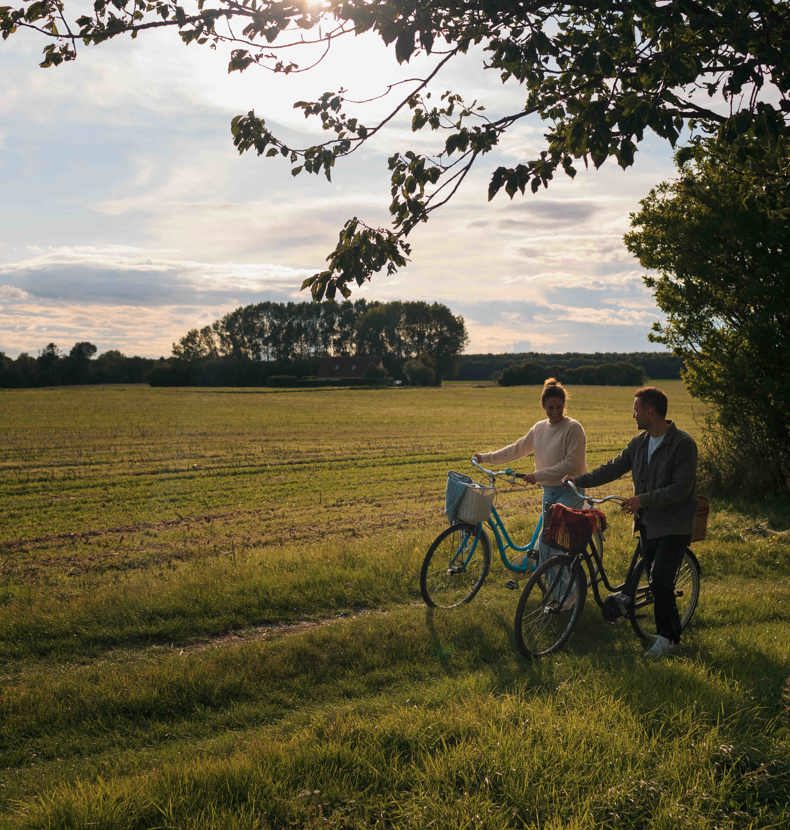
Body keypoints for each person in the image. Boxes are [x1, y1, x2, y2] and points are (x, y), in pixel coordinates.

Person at [564, 386, 697, 657]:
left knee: (660, 580)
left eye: (636, 409)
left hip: (675, 525)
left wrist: (642, 500)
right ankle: (630, 604)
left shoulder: (683, 444)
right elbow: (613, 468)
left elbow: (681, 488)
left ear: (650, 411)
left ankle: (669, 639)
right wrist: (579, 480)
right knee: (651, 578)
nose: (633, 414)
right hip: (648, 523)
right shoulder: (640, 443)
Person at [473, 378, 587, 580]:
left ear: (564, 405)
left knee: (554, 545)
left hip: (570, 491)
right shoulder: (539, 428)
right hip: (549, 491)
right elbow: (517, 449)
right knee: (546, 546)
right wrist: (486, 457)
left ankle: (567, 598)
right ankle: (554, 594)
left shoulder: (573, 428)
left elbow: (572, 464)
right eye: (550, 408)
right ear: (543, 406)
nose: (554, 412)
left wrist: (537, 475)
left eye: (559, 407)